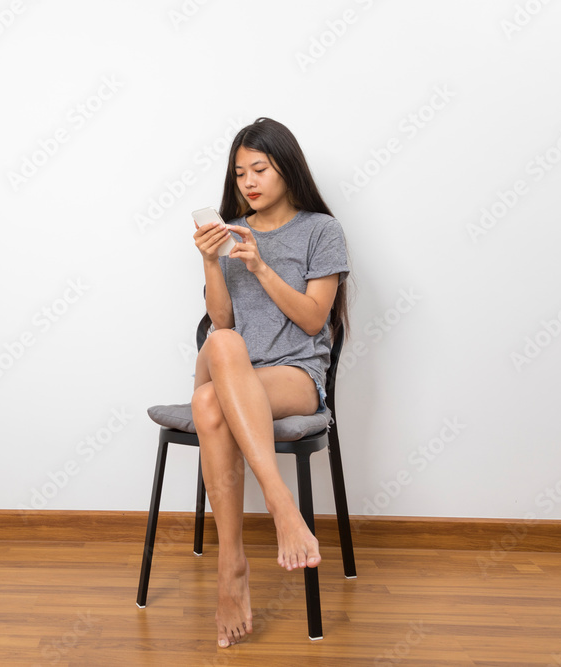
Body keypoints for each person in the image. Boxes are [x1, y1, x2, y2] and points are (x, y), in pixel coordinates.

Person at [191, 117, 351, 648]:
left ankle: (235, 561)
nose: (248, 183)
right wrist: (213, 262)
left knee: (211, 402)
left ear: (287, 167)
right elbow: (223, 324)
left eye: (259, 169)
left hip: (296, 376)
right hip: (239, 369)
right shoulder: (233, 231)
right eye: (239, 174)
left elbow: (312, 321)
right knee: (224, 346)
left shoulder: (322, 231)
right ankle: (273, 515)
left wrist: (260, 267)